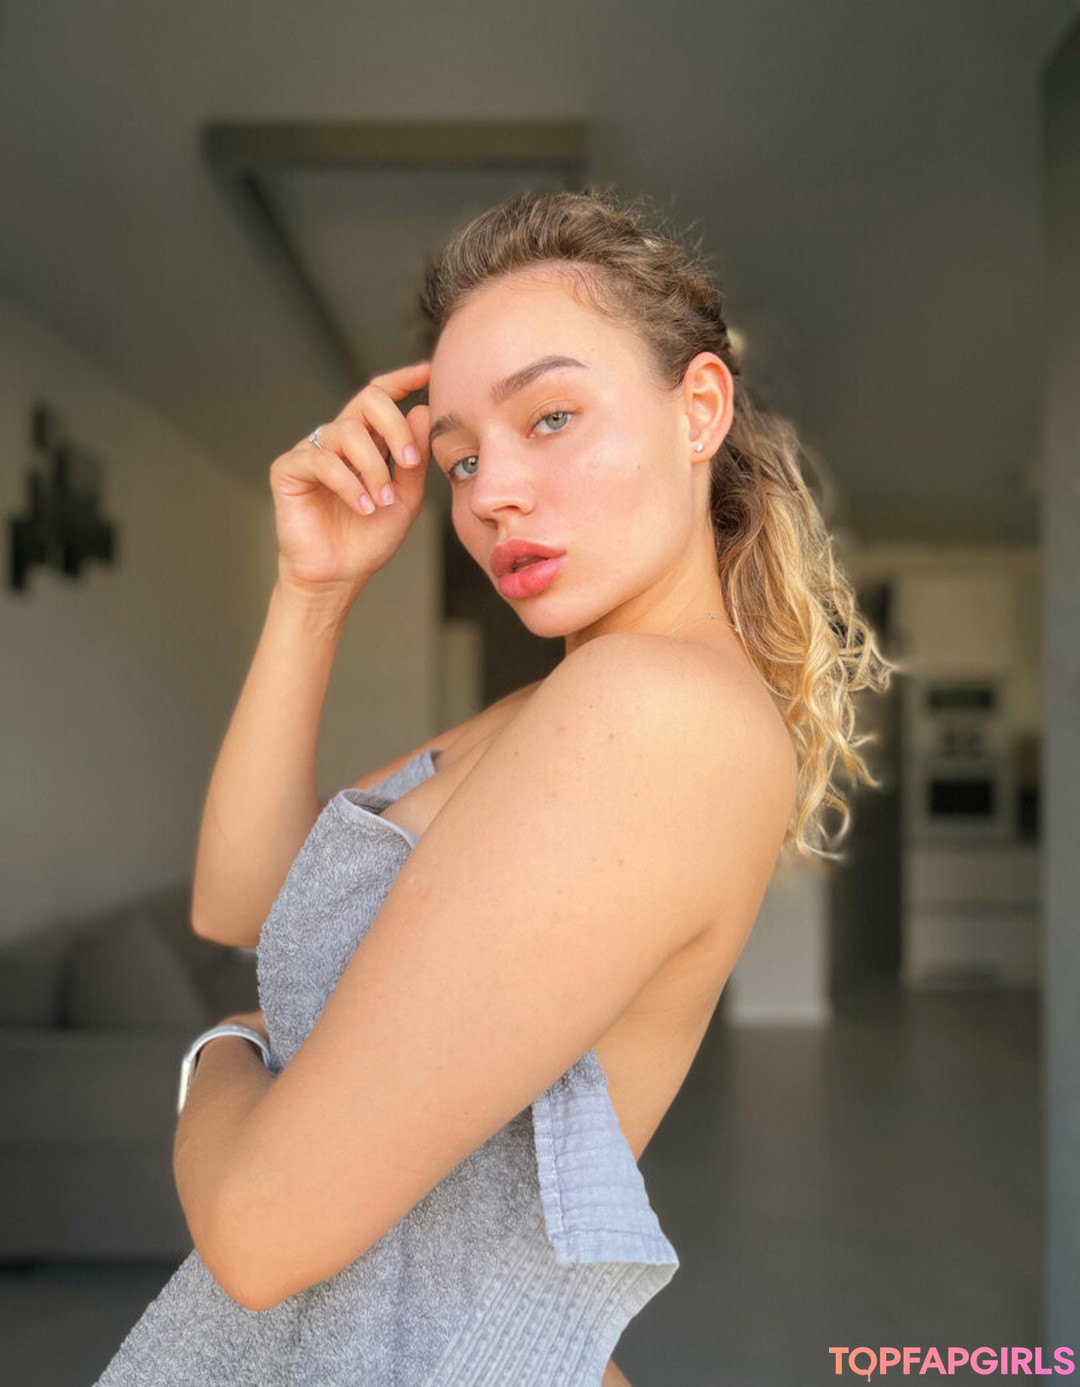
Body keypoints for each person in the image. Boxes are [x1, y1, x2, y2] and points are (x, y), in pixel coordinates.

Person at [95, 187, 893, 1387]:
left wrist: (225, 1050)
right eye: (461, 457)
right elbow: (247, 900)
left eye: (551, 417)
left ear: (700, 408)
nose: (490, 493)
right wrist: (313, 591)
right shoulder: (566, 703)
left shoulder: (649, 712)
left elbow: (258, 1233)